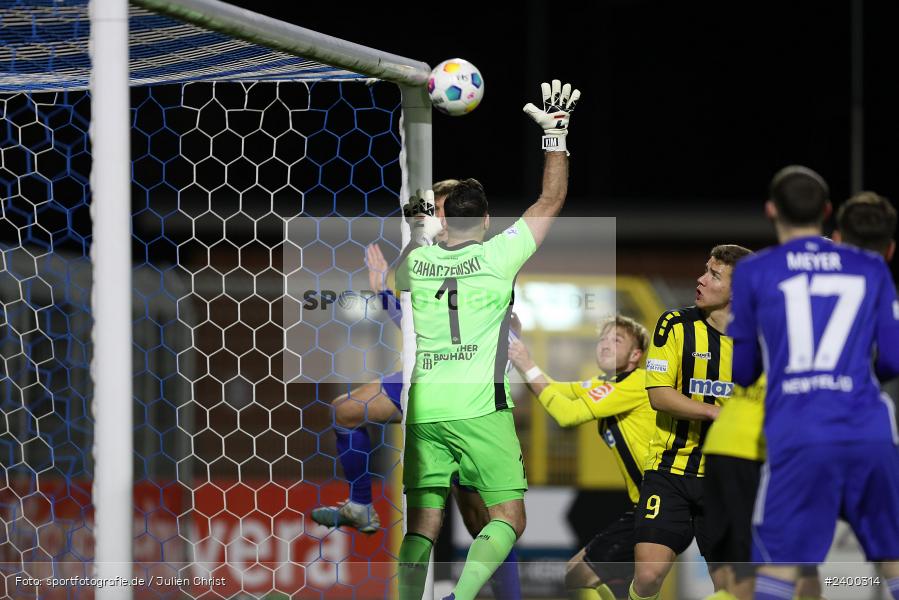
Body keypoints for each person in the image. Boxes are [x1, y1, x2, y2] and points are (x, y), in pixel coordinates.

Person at [394, 79, 581, 600]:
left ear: (443, 220)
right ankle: (460, 596)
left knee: (421, 527)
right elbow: (553, 197)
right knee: (509, 519)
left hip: (426, 406)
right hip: (480, 409)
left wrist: (419, 231)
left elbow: (395, 283)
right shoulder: (501, 256)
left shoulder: (421, 259)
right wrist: (556, 135)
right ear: (488, 220)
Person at [310, 181, 523, 600]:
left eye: (439, 213)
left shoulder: (485, 261)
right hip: (422, 379)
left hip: (468, 393)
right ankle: (360, 503)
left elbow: (496, 332)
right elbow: (415, 328)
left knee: (484, 519)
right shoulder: (428, 262)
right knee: (346, 410)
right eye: (432, 215)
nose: (436, 222)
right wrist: (387, 295)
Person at [728, 166, 899, 600]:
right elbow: (894, 358)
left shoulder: (755, 270)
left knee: (780, 571)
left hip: (799, 435)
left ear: (770, 210)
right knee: (893, 561)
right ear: (827, 211)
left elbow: (743, 370)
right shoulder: (870, 266)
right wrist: (853, 378)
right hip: (869, 432)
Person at [628, 244, 753, 600]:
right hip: (671, 472)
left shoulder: (759, 340)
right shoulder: (675, 324)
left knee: (730, 589)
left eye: (714, 275)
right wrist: (716, 412)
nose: (700, 280)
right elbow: (659, 394)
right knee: (649, 576)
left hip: (726, 477)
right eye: (705, 269)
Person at [508, 315, 654, 600]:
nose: (605, 345)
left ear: (636, 355)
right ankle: (621, 588)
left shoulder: (638, 382)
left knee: (584, 575)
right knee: (577, 575)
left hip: (662, 502)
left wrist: (526, 363)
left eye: (617, 340)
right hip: (644, 502)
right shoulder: (605, 383)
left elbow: (566, 414)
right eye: (603, 339)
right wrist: (518, 347)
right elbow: (552, 389)